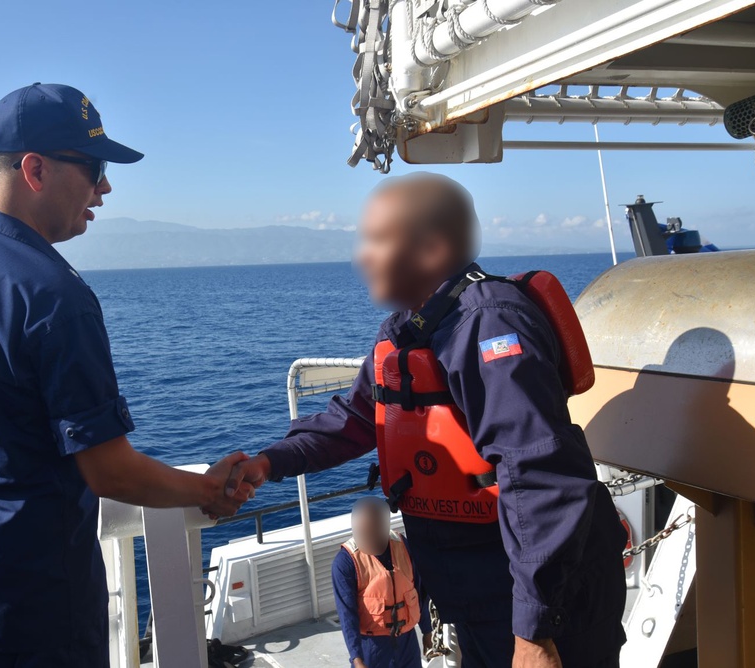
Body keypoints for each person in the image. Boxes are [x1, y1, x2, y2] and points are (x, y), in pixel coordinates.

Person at [0, 83, 255, 668]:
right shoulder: (53, 294)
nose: (104, 189)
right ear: (34, 169)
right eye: (93, 169)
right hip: (31, 612)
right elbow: (110, 472)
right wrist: (211, 491)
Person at [227, 173, 627, 668]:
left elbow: (539, 476)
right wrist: (268, 462)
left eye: (377, 241)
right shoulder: (409, 330)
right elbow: (356, 417)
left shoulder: (489, 323)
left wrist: (534, 632)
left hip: (540, 599)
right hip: (475, 591)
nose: (362, 257)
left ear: (431, 249)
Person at [334, 497, 434, 668]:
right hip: (372, 647)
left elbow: (418, 591)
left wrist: (427, 631)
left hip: (407, 642)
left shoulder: (403, 547)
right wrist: (356, 658)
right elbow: (347, 614)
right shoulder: (345, 563)